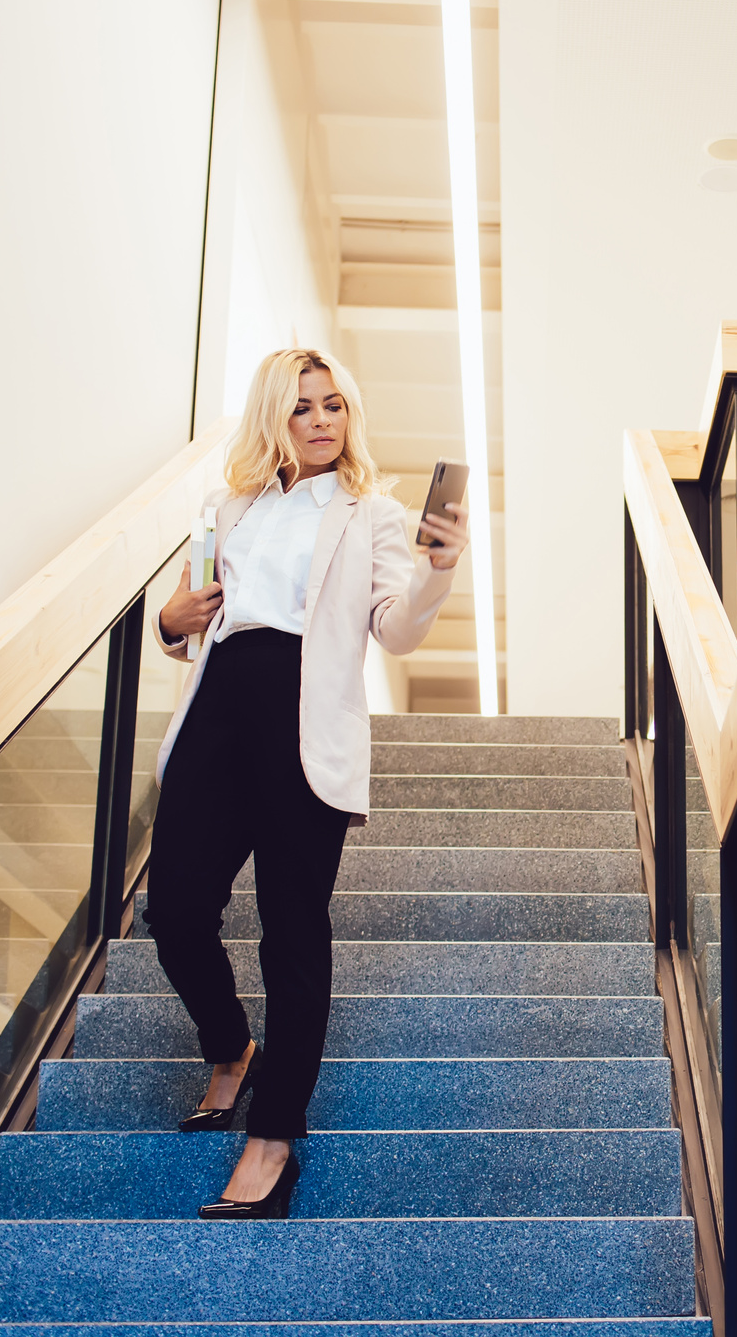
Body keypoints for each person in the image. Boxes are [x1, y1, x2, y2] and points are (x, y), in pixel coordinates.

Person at [147, 347, 468, 1219]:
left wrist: (440, 568)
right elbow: (189, 615)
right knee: (173, 911)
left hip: (303, 722)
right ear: (272, 419)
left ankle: (273, 1136)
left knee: (291, 930)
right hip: (217, 714)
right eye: (302, 408)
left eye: (333, 405)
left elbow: (395, 631)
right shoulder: (228, 509)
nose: (322, 419)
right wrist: (168, 624)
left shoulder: (372, 516)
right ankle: (229, 1044)